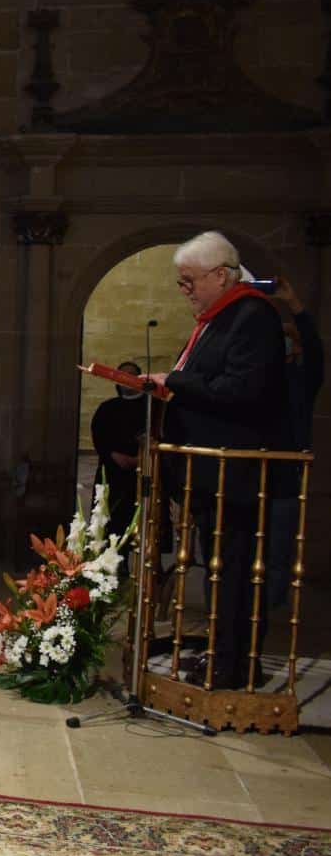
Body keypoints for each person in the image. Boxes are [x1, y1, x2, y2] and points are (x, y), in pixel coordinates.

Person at [147, 231, 289, 689]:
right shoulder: (221, 318)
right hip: (212, 472)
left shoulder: (252, 316)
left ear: (222, 275)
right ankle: (222, 654)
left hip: (235, 472)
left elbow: (244, 391)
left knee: (233, 572)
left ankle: (234, 664)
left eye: (189, 280)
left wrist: (176, 382)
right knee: (218, 571)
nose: (183, 289)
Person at [266, 278, 323, 609]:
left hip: (285, 475)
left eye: (287, 341)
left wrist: (295, 306)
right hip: (251, 471)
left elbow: (315, 348)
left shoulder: (303, 379)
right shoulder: (259, 376)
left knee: (278, 549)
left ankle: (269, 610)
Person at [90, 359, 147, 543]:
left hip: (143, 473)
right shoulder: (107, 408)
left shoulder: (152, 407)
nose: (126, 378)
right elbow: (99, 438)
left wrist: (140, 458)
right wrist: (113, 455)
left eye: (131, 374)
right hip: (113, 473)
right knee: (110, 529)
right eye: (122, 375)